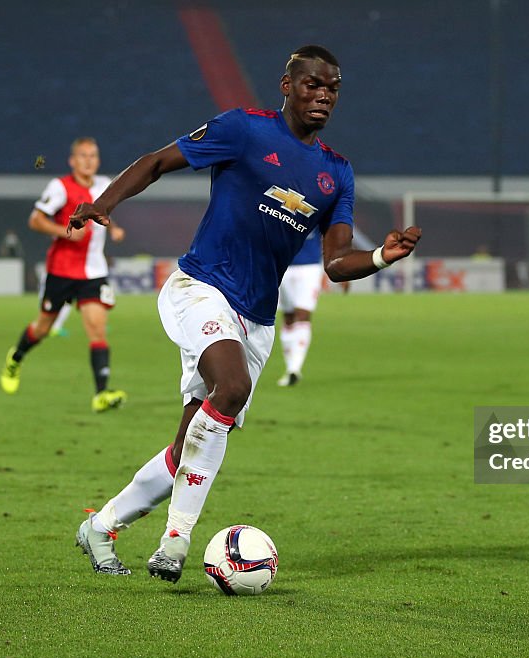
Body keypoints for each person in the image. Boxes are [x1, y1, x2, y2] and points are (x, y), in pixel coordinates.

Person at [69, 45, 421, 581]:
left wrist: (380, 257)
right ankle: (175, 540)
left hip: (256, 320)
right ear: (287, 85)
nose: (322, 95)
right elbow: (159, 161)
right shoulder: (244, 130)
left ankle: (102, 525)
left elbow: (336, 263)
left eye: (332, 89)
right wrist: (107, 201)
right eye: (312, 85)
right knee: (228, 389)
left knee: (192, 440)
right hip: (200, 287)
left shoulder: (336, 174)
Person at [0, 137, 128, 413]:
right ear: (72, 161)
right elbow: (35, 220)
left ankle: (101, 394)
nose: (88, 160)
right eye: (83, 155)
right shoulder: (60, 187)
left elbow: (102, 209)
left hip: (94, 272)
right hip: (61, 270)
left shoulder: (105, 185)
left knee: (97, 329)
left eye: (93, 155)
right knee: (43, 328)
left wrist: (113, 227)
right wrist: (65, 233)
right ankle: (16, 358)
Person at [277, 227, 323, 386]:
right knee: (288, 316)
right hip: (282, 264)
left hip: (309, 266)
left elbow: (331, 231)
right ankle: (290, 367)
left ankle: (295, 368)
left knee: (303, 313)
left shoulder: (319, 202)